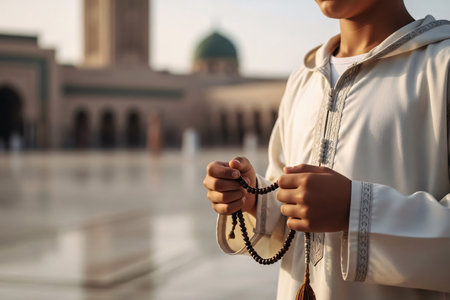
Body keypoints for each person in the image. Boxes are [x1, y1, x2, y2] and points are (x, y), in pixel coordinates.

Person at [203, 0, 450, 299]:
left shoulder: (440, 66)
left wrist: (355, 210)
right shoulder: (303, 80)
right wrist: (254, 199)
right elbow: (289, 215)